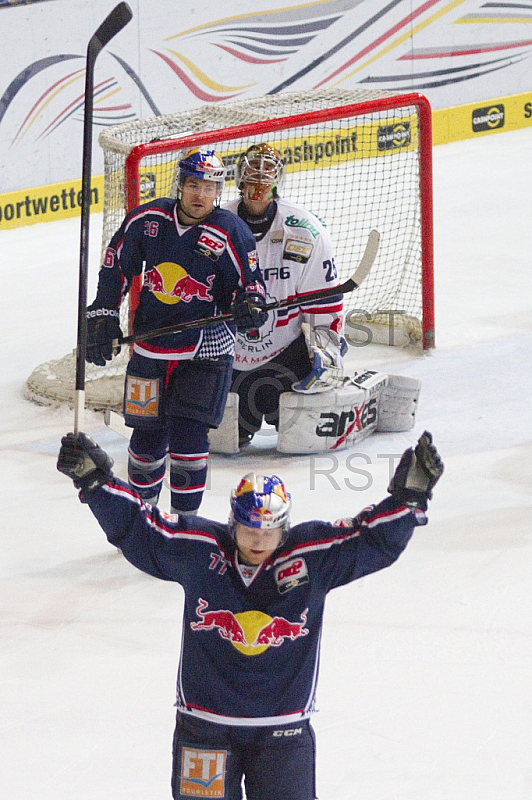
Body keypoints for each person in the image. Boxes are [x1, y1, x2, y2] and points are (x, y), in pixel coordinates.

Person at [57, 429, 444, 800]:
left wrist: (408, 499)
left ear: (284, 528)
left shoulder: (311, 556)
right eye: (248, 531)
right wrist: (96, 483)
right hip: (205, 726)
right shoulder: (201, 550)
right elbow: (141, 528)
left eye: (269, 532)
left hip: (283, 729)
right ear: (233, 524)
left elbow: (372, 539)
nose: (258, 542)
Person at [85, 147, 267, 514]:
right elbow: (116, 265)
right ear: (180, 185)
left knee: (188, 438)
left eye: (210, 187)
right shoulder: (148, 219)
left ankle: (185, 525)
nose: (201, 194)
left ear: (218, 192)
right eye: (193, 185)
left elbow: (252, 285)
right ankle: (143, 517)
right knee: (146, 440)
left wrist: (250, 306)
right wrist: (103, 312)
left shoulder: (231, 230)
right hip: (151, 347)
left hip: (206, 351)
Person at [222, 143, 345, 445]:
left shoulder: (306, 232)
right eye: (252, 178)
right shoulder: (215, 227)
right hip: (226, 358)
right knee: (223, 443)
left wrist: (326, 352)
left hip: (285, 360)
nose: (258, 186)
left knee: (302, 441)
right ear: (239, 180)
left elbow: (325, 307)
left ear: (278, 182)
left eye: (266, 178)